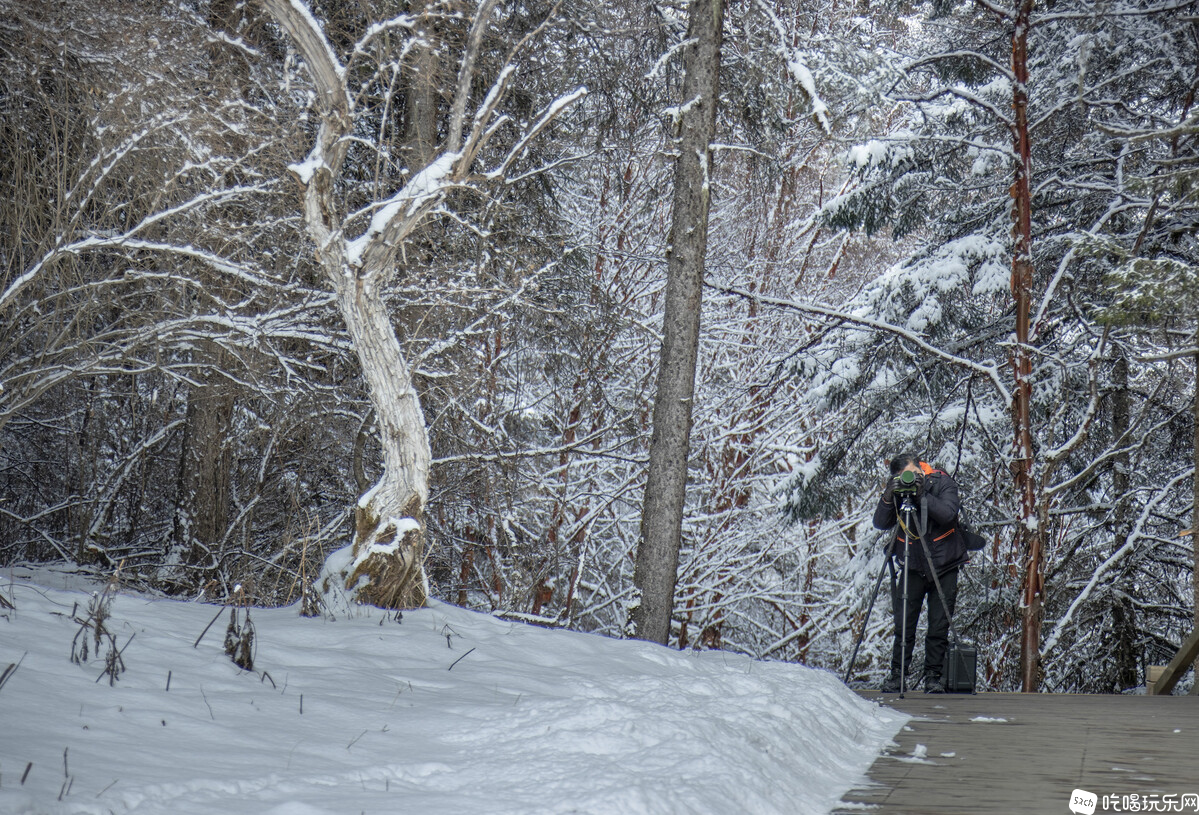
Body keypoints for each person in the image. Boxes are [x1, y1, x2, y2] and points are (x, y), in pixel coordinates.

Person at [873, 454, 968, 693]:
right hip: (913, 563)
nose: (909, 479)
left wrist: (921, 494)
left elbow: (948, 514)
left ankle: (933, 678)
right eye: (902, 477)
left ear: (920, 467)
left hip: (944, 564)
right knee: (903, 623)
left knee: (938, 625)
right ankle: (898, 676)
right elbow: (880, 522)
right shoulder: (899, 490)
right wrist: (888, 495)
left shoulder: (941, 481)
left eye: (912, 473)